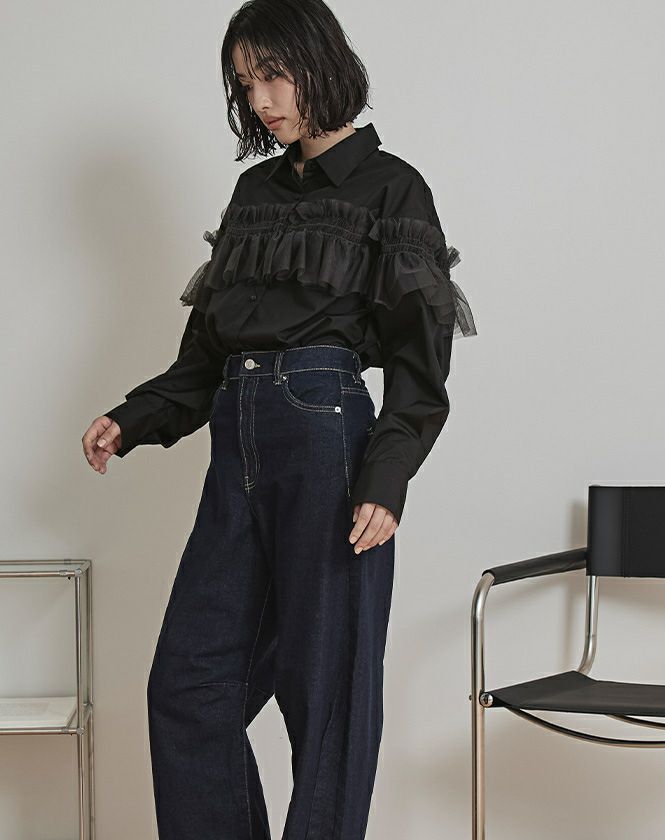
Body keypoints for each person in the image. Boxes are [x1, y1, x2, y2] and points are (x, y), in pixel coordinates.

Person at [82, 0, 476, 837]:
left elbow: (420, 365)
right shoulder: (253, 193)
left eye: (274, 75)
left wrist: (386, 477)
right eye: (244, 83)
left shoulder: (393, 187)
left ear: (320, 63)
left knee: (326, 695)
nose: (260, 100)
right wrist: (134, 416)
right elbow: (205, 353)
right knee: (189, 685)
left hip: (327, 439)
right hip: (238, 444)